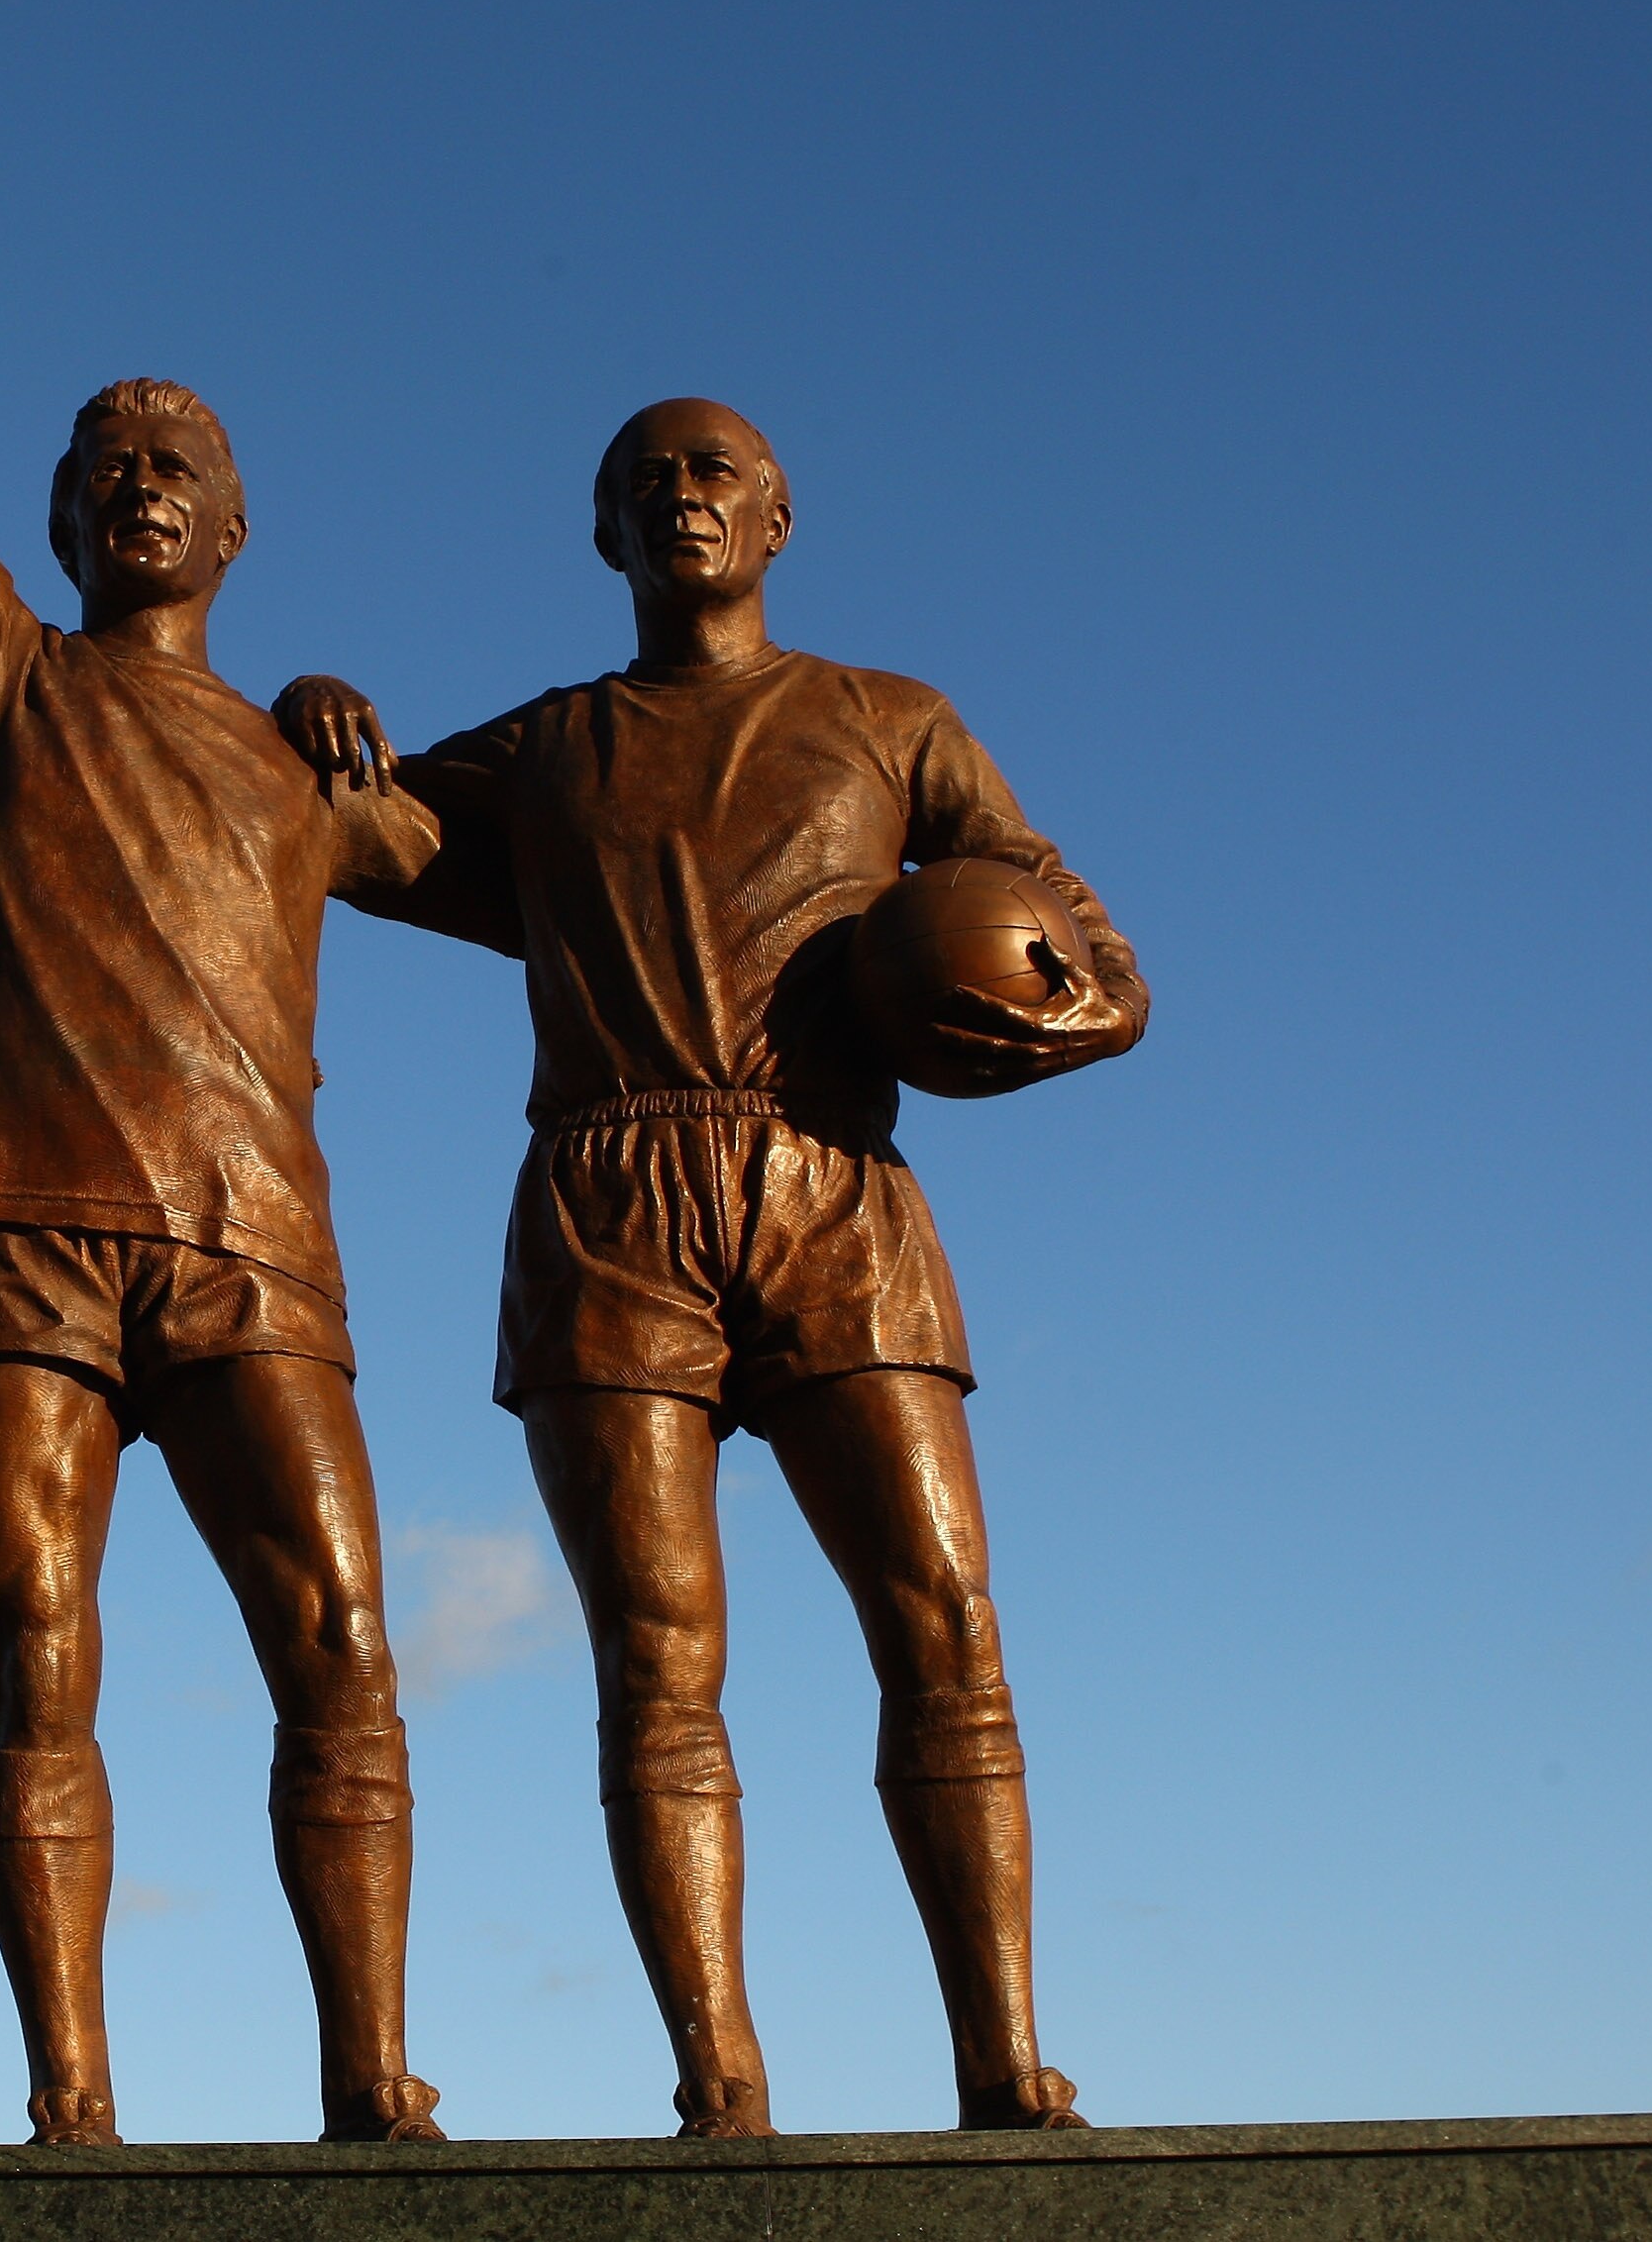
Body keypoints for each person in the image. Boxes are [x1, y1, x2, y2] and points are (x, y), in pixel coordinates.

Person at [273, 397, 1146, 2136]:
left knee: (947, 1618)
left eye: (716, 471)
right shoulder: (550, 748)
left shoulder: (893, 721)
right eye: (647, 478)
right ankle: (719, 2077)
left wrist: (1065, 1014)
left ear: (780, 515)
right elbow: (355, 843)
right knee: (660, 1660)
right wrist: (307, 723)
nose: (685, 494)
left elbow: (1090, 941)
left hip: (829, 1181)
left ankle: (999, 2057)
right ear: (604, 532)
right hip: (611, 1202)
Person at [0, 28, 447, 2147]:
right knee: (35, 1652)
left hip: (254, 1234)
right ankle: (72, 2098)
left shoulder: (312, 766)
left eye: (178, 459)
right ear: (63, 518)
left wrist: (346, 732)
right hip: (14, 1230)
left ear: (239, 525)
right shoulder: (4, 678)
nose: (139, 475)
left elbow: (525, 861)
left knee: (343, 1635)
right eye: (102, 459)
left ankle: (370, 2080)